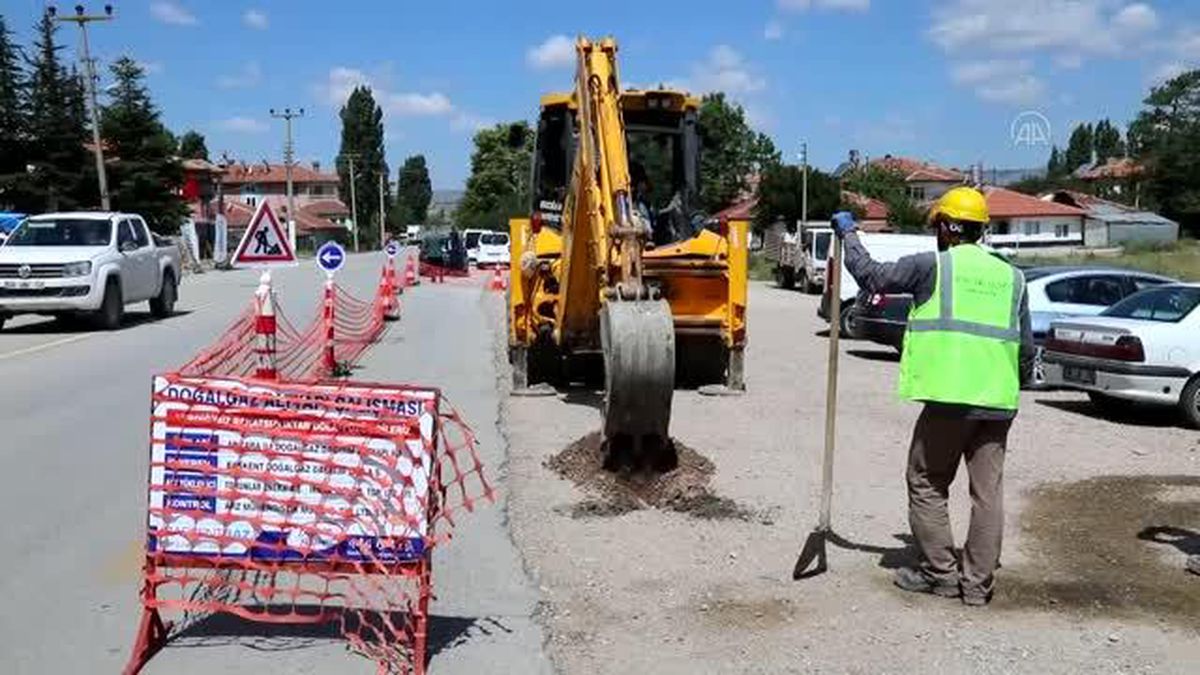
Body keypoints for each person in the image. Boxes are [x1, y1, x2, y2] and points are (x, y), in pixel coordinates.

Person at [829, 186, 1034, 606]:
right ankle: (977, 586)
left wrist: (849, 234)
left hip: (949, 397)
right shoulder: (1014, 278)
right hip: (997, 401)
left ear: (944, 226)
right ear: (980, 229)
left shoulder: (933, 267)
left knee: (926, 480)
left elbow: (870, 276)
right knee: (987, 493)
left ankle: (941, 574)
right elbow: (1026, 350)